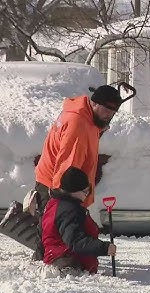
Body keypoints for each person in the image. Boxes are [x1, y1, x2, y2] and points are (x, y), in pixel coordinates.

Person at [31, 85, 123, 260]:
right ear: (94, 103)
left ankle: (48, 259)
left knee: (50, 226)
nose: (108, 115)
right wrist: (65, 197)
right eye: (106, 109)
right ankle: (47, 264)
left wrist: (99, 129)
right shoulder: (78, 125)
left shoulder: (85, 117)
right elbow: (68, 165)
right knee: (56, 229)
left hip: (53, 180)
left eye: (112, 112)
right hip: (59, 184)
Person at [41, 166, 116, 275]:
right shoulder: (69, 210)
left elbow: (42, 232)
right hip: (69, 263)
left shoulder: (54, 203)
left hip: (58, 258)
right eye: (85, 191)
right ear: (73, 191)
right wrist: (104, 248)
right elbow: (75, 241)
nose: (87, 195)